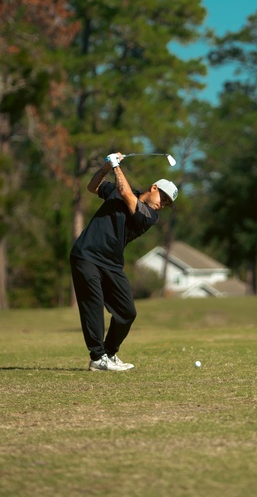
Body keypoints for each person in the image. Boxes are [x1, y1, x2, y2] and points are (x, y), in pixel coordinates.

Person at [70, 152, 178, 371]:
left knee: (127, 312)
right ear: (154, 188)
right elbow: (93, 187)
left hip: (111, 263)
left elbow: (126, 194)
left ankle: (109, 353)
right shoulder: (121, 191)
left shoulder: (149, 215)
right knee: (93, 306)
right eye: (163, 198)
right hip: (87, 255)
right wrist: (106, 167)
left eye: (167, 204)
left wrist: (116, 165)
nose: (162, 205)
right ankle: (98, 357)